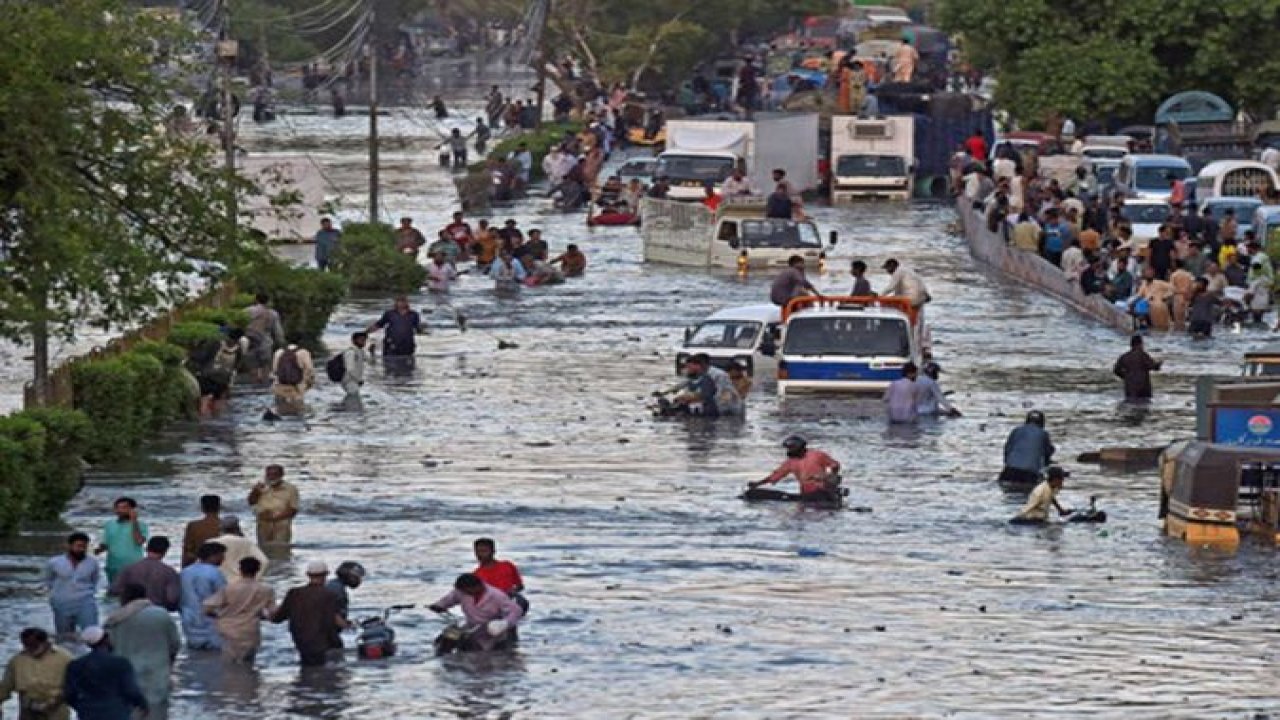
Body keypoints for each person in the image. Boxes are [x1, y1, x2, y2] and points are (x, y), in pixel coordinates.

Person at [104, 583, 180, 718]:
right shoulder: (161, 614)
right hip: (157, 675)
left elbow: (108, 648)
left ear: (125, 598)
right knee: (157, 712)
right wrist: (169, 664)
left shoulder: (115, 619)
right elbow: (174, 644)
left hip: (127, 676)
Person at [271, 562, 349, 666]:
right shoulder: (329, 595)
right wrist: (347, 627)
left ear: (308, 575)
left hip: (300, 640)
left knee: (307, 667)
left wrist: (265, 613)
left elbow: (279, 617)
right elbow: (333, 620)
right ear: (325, 575)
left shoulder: (294, 593)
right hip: (322, 641)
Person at [203, 557, 277, 665]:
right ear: (258, 570)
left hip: (228, 629)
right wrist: (260, 616)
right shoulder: (266, 590)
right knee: (248, 664)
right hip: (250, 630)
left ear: (240, 570)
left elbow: (207, 607)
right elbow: (272, 613)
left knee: (229, 665)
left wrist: (218, 616)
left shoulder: (229, 588)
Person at [64, 627, 148, 720]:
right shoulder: (120, 663)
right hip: (116, 713)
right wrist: (142, 705)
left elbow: (69, 694)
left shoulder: (75, 665)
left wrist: (82, 707)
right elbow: (131, 690)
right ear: (105, 640)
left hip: (88, 714)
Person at [428, 573, 522, 652]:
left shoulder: (497, 596)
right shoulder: (461, 592)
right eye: (463, 591)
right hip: (470, 627)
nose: (464, 593)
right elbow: (450, 599)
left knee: (485, 656)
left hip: (492, 631)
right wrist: (439, 605)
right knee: (446, 639)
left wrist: (504, 623)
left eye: (467, 591)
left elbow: (516, 611)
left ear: (478, 586)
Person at [0, 628, 73, 720]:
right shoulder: (17, 661)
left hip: (56, 708)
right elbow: (6, 686)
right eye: (26, 646)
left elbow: (75, 685)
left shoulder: (64, 659)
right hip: (28, 709)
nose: (30, 649)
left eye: (34, 646)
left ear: (46, 643)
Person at [747, 436, 842, 502]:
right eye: (788, 448)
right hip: (806, 494)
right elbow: (775, 476)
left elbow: (835, 465)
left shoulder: (817, 455)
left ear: (799, 447)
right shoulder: (790, 462)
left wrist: (828, 476)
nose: (789, 451)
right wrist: (758, 483)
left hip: (823, 491)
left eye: (791, 448)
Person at [45, 533, 100, 640]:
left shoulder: (92, 563)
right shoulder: (54, 562)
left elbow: (95, 581)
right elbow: (48, 580)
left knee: (92, 634)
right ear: (69, 546)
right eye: (78, 546)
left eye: (84, 546)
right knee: (64, 638)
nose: (81, 549)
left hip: (85, 602)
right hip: (61, 603)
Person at [110, 537, 179, 612]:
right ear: (165, 551)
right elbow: (172, 599)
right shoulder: (169, 572)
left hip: (131, 613)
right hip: (156, 613)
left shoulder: (129, 569)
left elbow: (113, 590)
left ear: (147, 549)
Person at [179, 542, 226, 650]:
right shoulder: (215, 573)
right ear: (213, 556)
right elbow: (224, 597)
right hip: (211, 621)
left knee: (194, 655)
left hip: (189, 619)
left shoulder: (185, 572)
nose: (223, 559)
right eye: (221, 555)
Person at [96, 498, 147, 588]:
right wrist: (99, 549)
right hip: (113, 566)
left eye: (124, 508)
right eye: (118, 508)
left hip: (133, 567)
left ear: (132, 509)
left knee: (132, 595)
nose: (120, 511)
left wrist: (134, 522)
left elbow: (139, 541)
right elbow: (106, 543)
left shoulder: (141, 525)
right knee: (113, 595)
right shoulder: (109, 525)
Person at [248, 464, 299, 547]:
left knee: (280, 548)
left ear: (282, 475)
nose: (271, 477)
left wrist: (274, 518)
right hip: (263, 523)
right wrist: (255, 492)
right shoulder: (260, 487)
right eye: (269, 474)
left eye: (275, 474)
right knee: (263, 548)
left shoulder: (291, 489)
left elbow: (293, 509)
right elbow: (251, 502)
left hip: (281, 524)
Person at [1000, 411, 1055, 487]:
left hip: (1009, 471)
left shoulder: (1016, 431)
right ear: (1042, 423)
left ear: (1026, 421)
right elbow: (1047, 456)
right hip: (1030, 474)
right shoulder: (1044, 434)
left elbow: (1007, 452)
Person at [207, 515, 268, 583]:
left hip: (219, 582)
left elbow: (202, 565)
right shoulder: (246, 542)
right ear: (237, 529)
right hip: (242, 582)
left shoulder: (211, 542)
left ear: (221, 529)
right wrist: (255, 578)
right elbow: (264, 561)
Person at [197, 329, 244, 417]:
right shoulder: (238, 348)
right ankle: (217, 422)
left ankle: (203, 423)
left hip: (207, 377)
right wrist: (229, 384)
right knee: (218, 403)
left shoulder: (216, 343)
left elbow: (203, 357)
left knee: (204, 400)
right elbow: (236, 367)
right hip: (223, 380)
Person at [245, 294, 286, 383]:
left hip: (250, 341)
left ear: (256, 300)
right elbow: (278, 331)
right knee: (265, 365)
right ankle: (264, 386)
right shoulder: (273, 313)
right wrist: (281, 343)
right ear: (268, 302)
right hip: (265, 343)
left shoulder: (247, 311)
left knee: (253, 366)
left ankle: (254, 386)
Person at [1113, 335, 1162, 401]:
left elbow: (1116, 370)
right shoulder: (1143, 355)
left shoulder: (1124, 357)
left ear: (1131, 345)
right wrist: (1159, 364)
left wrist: (1126, 377)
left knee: (1130, 405)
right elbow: (1153, 367)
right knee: (1144, 407)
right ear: (1140, 344)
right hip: (1143, 389)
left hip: (1130, 388)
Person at [181, 495, 221, 568]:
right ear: (219, 507)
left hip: (201, 566)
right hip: (224, 567)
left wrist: (184, 571)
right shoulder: (227, 526)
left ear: (202, 508)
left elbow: (187, 552)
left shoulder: (194, 526)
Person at [271, 343, 315, 409]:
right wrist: (308, 385)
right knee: (298, 410)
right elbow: (310, 371)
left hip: (279, 388)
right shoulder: (304, 353)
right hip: (296, 389)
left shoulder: (278, 352)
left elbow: (274, 371)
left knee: (280, 409)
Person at [339, 332, 368, 397]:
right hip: (349, 381)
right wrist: (359, 380)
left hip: (354, 381)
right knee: (354, 400)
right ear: (354, 340)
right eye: (361, 340)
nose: (363, 342)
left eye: (364, 340)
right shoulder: (350, 352)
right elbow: (350, 370)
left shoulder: (360, 351)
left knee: (355, 401)